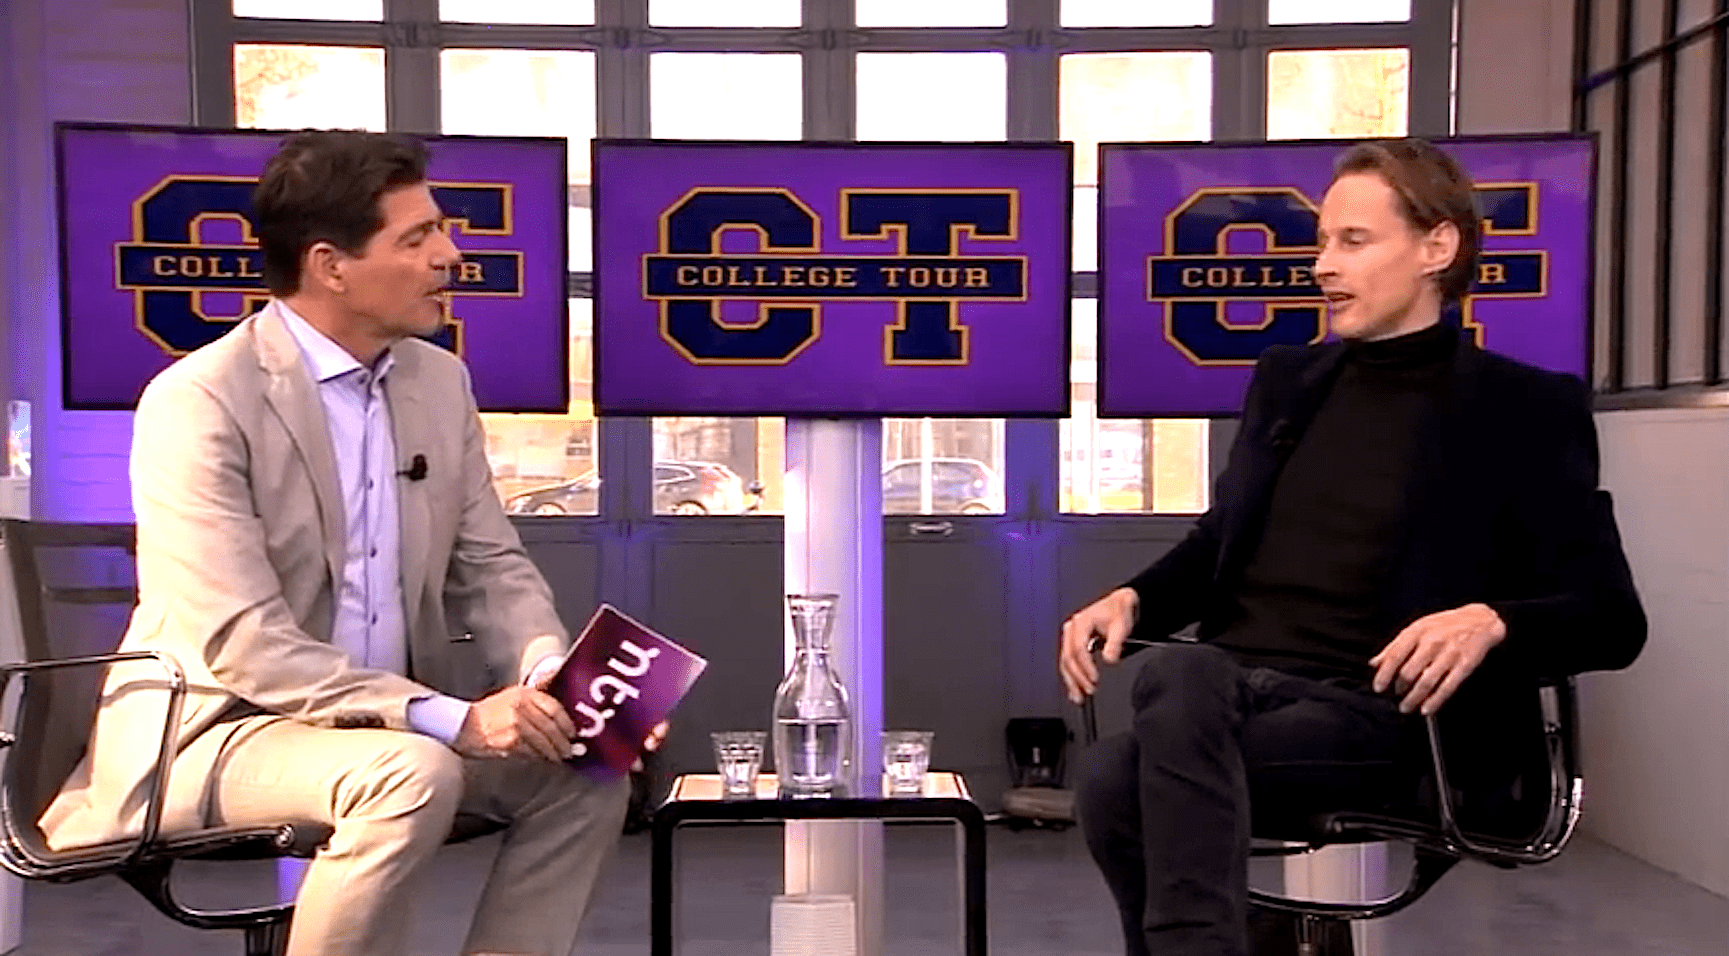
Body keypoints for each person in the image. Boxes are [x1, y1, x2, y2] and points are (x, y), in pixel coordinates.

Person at [40, 130, 661, 956]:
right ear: (330, 266)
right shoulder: (199, 400)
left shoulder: (440, 382)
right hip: (217, 731)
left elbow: (491, 565)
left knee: (588, 773)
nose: (449, 256)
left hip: (388, 730)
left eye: (442, 230)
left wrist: (546, 677)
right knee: (411, 773)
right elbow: (243, 641)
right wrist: (456, 720)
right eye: (417, 237)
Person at [1058, 138, 1646, 956]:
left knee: (1118, 770)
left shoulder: (1522, 407)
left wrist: (1491, 620)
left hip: (1383, 718)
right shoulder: (1286, 381)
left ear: (1436, 248)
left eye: (1353, 241)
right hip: (1231, 693)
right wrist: (1134, 597)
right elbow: (1218, 543)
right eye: (1322, 242)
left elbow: (1611, 618)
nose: (1322, 265)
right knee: (1172, 687)